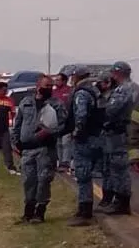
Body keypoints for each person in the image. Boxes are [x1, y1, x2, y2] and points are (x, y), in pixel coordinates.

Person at [11, 75, 66, 223]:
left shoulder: (56, 104)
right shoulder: (26, 102)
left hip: (45, 150)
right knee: (28, 180)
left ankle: (40, 212)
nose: (49, 88)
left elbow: (63, 125)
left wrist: (49, 132)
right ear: (38, 85)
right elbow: (18, 123)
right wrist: (16, 142)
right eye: (46, 85)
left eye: (51, 86)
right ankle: (28, 212)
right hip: (27, 149)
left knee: (43, 180)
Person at [67, 66, 107, 226]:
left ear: (77, 76)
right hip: (98, 137)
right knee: (99, 172)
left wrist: (77, 131)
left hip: (86, 139)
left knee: (83, 176)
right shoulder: (96, 91)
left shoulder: (82, 93)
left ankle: (85, 211)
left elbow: (81, 115)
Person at [100, 61, 136, 216]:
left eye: (113, 73)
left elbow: (111, 110)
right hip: (123, 133)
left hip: (117, 134)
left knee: (118, 169)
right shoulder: (132, 88)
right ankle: (119, 201)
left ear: (118, 73)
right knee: (118, 168)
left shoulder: (123, 89)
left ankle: (121, 203)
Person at [0, 82, 18, 175]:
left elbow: (13, 113)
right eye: (4, 90)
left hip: (4, 129)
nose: (6, 92)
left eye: (6, 90)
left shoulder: (9, 100)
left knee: (7, 149)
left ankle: (10, 167)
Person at [52, 72, 73, 172]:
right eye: (56, 80)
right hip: (56, 121)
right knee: (58, 143)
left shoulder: (70, 91)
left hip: (67, 121)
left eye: (58, 80)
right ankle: (60, 161)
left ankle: (66, 162)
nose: (56, 82)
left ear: (64, 81)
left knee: (66, 142)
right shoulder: (54, 92)